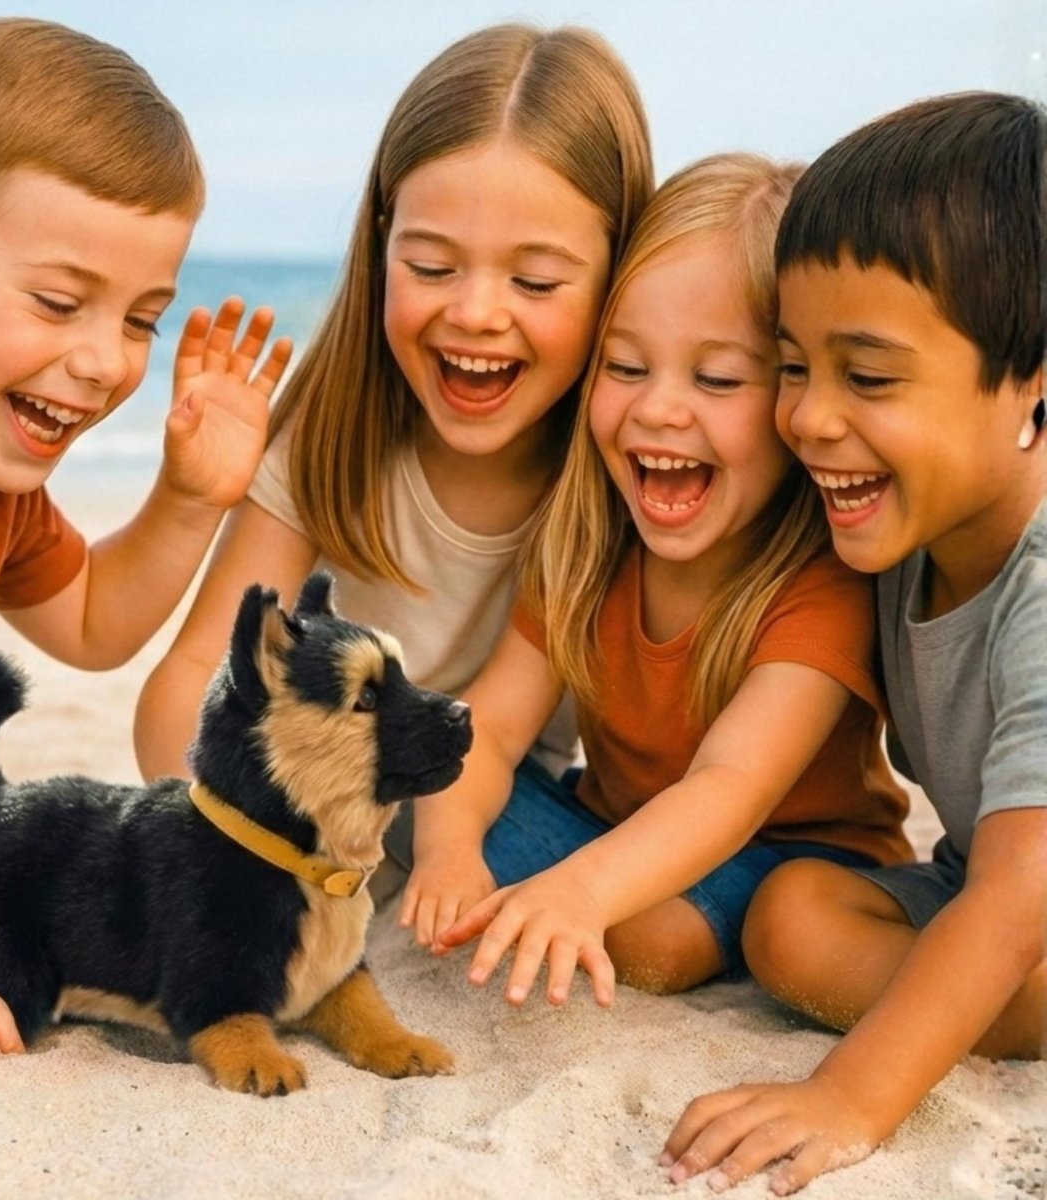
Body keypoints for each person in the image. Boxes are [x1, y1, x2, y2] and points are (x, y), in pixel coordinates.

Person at [0, 18, 291, 1068]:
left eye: (141, 319)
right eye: (58, 302)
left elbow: (93, 626)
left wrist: (187, 500)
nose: (104, 362)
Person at [133, 23, 655, 857]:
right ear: (380, 246)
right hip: (318, 802)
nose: (477, 312)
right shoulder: (332, 438)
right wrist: (228, 839)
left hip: (498, 806)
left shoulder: (633, 463)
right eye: (433, 267)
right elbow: (195, 676)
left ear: (618, 272)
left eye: (535, 281)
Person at [662, 93, 1047, 1195]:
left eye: (868, 376)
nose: (810, 418)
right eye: (792, 364)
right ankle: (988, 990)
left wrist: (849, 1099)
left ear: (1032, 376)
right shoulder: (897, 530)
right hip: (984, 883)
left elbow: (1021, 895)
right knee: (794, 922)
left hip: (1023, 894)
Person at [419, 154, 912, 1007]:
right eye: (624, 367)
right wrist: (448, 853)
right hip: (607, 827)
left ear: (794, 393)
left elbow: (730, 787)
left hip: (784, 854)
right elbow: (491, 731)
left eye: (717, 378)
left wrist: (580, 889)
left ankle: (572, 895)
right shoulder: (588, 546)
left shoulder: (819, 586)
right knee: (420, 789)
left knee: (651, 936)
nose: (657, 410)